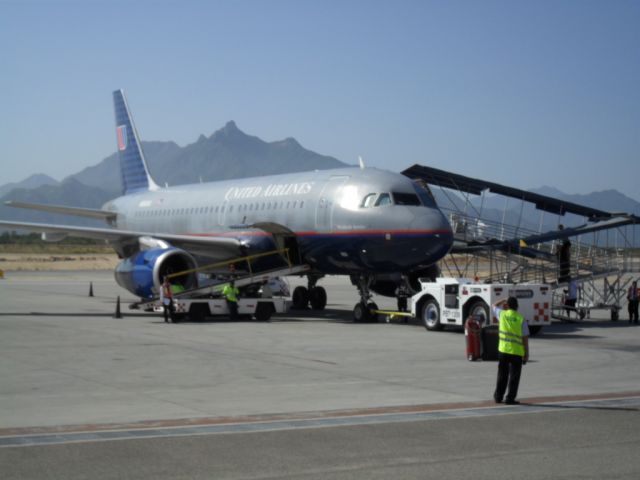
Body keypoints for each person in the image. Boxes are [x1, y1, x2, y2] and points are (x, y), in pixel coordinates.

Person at [492, 296, 530, 405]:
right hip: (516, 352)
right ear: (517, 307)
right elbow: (525, 338)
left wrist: (503, 300)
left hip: (503, 351)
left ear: (507, 305)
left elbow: (493, 306)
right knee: (514, 377)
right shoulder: (521, 319)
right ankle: (510, 398)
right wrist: (526, 353)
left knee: (502, 375)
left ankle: (498, 397)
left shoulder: (502, 314)